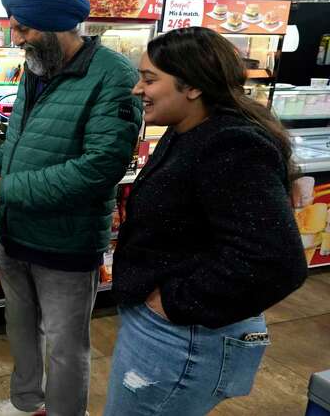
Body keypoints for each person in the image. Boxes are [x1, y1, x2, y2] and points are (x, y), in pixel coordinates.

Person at [104, 26, 307, 415]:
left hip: (183, 338)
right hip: (169, 331)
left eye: (149, 79)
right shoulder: (189, 129)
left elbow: (275, 262)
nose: (136, 89)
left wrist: (173, 303)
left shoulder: (229, 143)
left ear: (193, 86)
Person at [0, 0, 142, 416]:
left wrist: (5, 188)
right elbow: (22, 144)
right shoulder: (36, 68)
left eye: (24, 28)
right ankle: (28, 406)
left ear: (58, 26)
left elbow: (98, 170)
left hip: (66, 243)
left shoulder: (114, 77)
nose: (16, 36)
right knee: (21, 331)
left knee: (66, 348)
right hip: (16, 234)